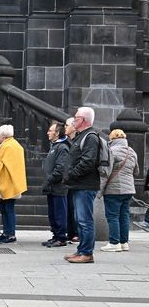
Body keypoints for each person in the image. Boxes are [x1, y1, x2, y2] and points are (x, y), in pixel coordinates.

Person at [63, 107, 101, 263]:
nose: (73, 120)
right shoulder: (81, 136)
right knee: (80, 219)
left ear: (83, 120)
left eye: (76, 118)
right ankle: (81, 251)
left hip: (85, 185)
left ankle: (86, 253)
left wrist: (72, 174)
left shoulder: (90, 137)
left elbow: (87, 162)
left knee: (85, 220)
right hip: (79, 185)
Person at [100, 129, 139, 252]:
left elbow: (107, 172)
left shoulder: (111, 151)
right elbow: (136, 171)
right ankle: (124, 242)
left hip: (113, 189)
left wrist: (100, 190)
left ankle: (114, 243)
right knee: (124, 216)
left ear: (111, 139)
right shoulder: (131, 151)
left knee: (113, 216)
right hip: (129, 189)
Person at [0, 124, 27, 243]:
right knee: (4, 207)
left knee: (8, 208)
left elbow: (3, 164)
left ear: (3, 135)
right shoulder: (11, 144)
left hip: (9, 182)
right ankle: (7, 232)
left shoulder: (8, 146)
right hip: (9, 181)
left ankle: (10, 234)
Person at [41, 122, 71, 247]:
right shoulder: (55, 146)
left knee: (59, 213)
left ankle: (61, 237)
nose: (48, 133)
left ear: (57, 133)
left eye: (50, 130)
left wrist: (49, 180)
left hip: (58, 186)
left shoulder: (62, 147)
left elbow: (60, 168)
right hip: (52, 186)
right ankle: (55, 235)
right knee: (53, 213)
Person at [64, 117, 79, 243]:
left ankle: (76, 233)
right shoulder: (67, 142)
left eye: (67, 125)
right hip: (69, 180)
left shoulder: (78, 141)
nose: (65, 127)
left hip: (76, 179)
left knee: (75, 207)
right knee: (69, 207)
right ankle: (71, 232)